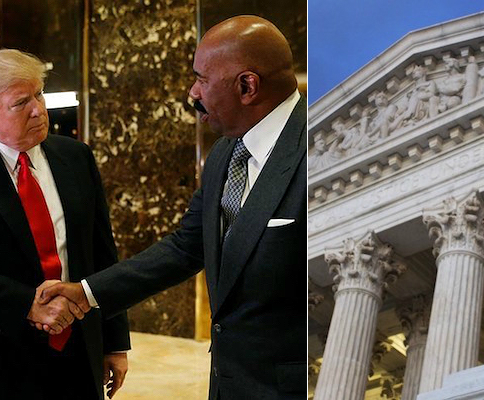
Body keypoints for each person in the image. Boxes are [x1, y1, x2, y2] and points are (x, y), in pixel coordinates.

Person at [39, 15, 306, 400]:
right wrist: (86, 293)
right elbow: (187, 246)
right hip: (229, 382)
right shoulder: (225, 153)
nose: (192, 92)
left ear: (248, 86)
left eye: (202, 78)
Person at [0, 49, 130, 399]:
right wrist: (27, 304)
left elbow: (102, 253)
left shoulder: (76, 157)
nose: (40, 108)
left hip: (76, 347)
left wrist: (114, 342)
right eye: (21, 102)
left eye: (39, 94)